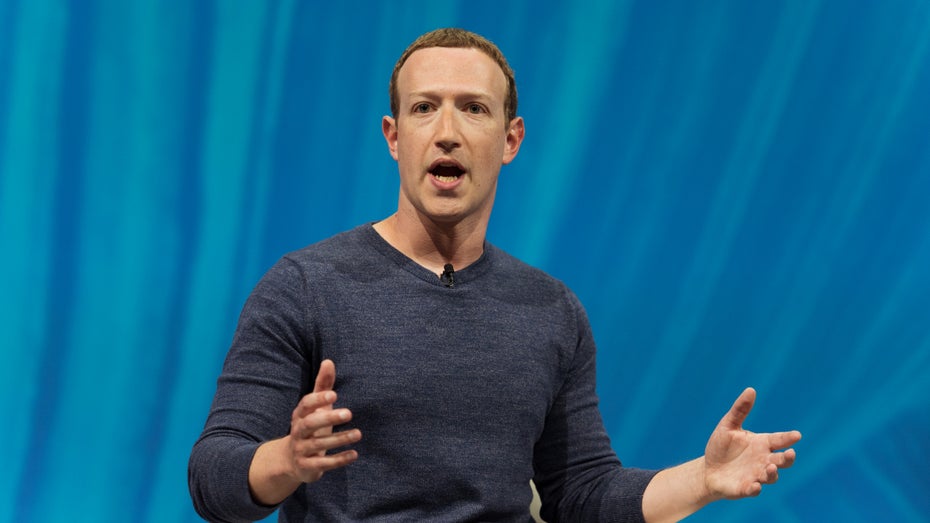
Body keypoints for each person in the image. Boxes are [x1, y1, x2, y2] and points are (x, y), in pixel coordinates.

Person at [188, 28, 802, 522]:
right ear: (394, 137)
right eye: (424, 108)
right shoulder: (305, 286)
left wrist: (703, 479)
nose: (447, 133)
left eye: (473, 109)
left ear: (510, 140)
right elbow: (213, 474)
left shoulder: (552, 310)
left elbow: (581, 493)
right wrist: (287, 461)